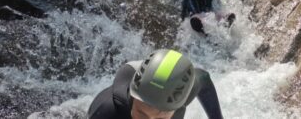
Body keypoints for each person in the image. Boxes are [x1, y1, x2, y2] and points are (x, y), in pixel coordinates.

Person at [87, 49, 224, 119]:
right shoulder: (108, 111)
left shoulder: (180, 94)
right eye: (142, 115)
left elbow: (204, 79)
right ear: (133, 99)